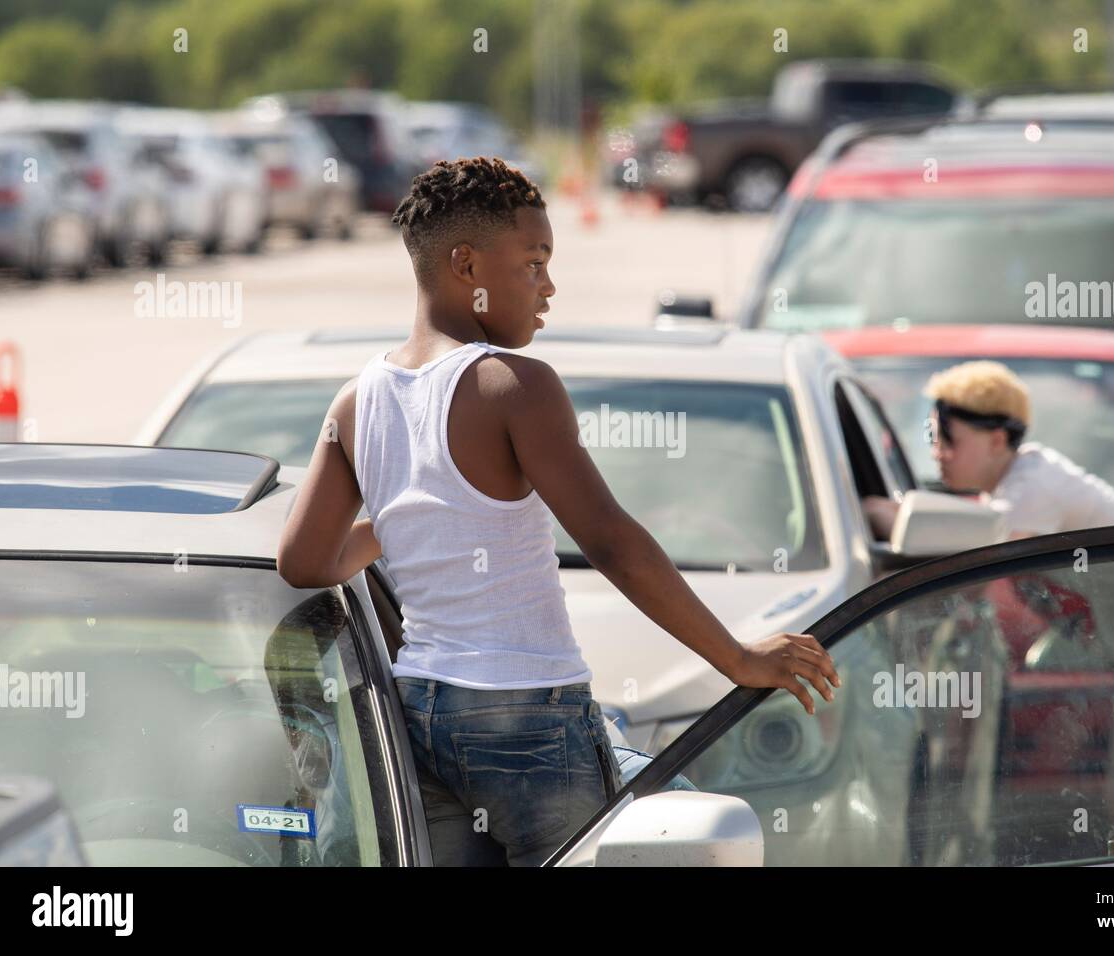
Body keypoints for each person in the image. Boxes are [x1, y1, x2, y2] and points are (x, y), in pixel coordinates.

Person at [276, 156, 839, 866]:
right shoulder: (516, 385)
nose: (549, 287)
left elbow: (302, 562)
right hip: (525, 719)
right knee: (680, 829)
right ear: (466, 265)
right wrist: (735, 657)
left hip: (419, 713)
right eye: (534, 263)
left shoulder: (358, 401)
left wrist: (410, 523)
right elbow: (608, 540)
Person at [863, 359, 1114, 865]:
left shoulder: (1034, 485)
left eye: (948, 436)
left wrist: (886, 513)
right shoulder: (1013, 490)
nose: (936, 452)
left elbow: (974, 544)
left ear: (997, 439)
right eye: (931, 435)